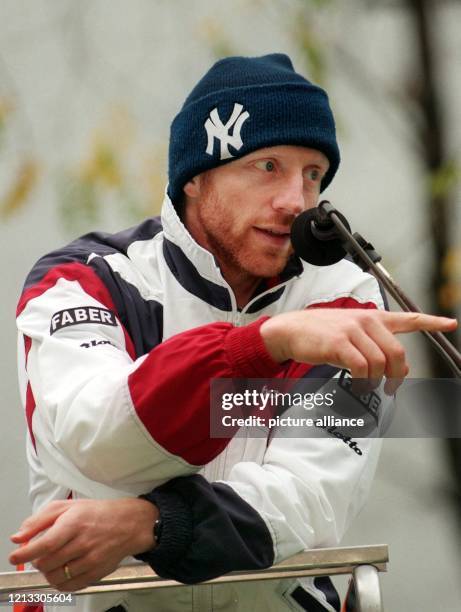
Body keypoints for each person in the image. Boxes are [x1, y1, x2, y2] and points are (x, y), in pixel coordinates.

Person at [10, 54, 457, 612]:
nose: (296, 200)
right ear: (195, 177)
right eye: (268, 166)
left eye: (312, 174)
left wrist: (151, 525)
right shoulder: (81, 280)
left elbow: (311, 496)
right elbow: (98, 439)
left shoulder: (346, 301)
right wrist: (264, 344)